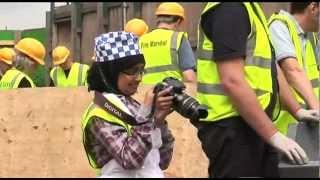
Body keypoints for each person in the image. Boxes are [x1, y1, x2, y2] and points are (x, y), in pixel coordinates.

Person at [195, 2, 319, 178]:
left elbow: (272, 71)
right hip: (232, 129)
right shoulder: (230, 9)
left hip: (254, 124)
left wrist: (298, 110)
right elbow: (232, 80)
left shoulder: (252, 10)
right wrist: (273, 135)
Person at [81, 31, 175, 178]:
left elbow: (162, 161)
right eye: (132, 71)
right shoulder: (99, 113)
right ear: (110, 72)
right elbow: (130, 160)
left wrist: (159, 121)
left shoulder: (133, 106)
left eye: (141, 71)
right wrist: (146, 117)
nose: (138, 78)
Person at [268, 2, 320, 134]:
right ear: (313, 8)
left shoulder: (312, 37)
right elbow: (292, 70)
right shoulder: (279, 26)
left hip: (308, 129)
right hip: (283, 129)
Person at [139, 2, 196, 85]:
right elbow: (189, 77)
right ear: (178, 21)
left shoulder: (142, 40)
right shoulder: (178, 38)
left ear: (158, 20)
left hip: (144, 93)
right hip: (170, 92)